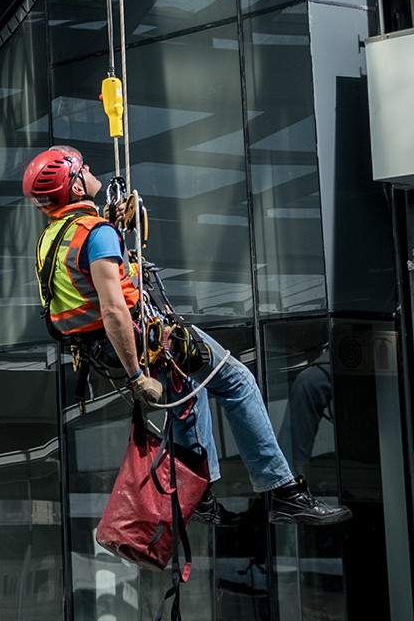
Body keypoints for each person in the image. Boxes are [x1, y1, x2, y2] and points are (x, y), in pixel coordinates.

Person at [23, 144, 350, 525]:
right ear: (76, 188)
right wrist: (136, 377)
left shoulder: (52, 239)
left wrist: (110, 223)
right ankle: (283, 491)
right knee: (235, 379)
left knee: (189, 394)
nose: (90, 169)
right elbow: (113, 308)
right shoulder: (95, 235)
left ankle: (201, 495)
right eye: (83, 169)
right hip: (141, 343)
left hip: (100, 350)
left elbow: (82, 283)